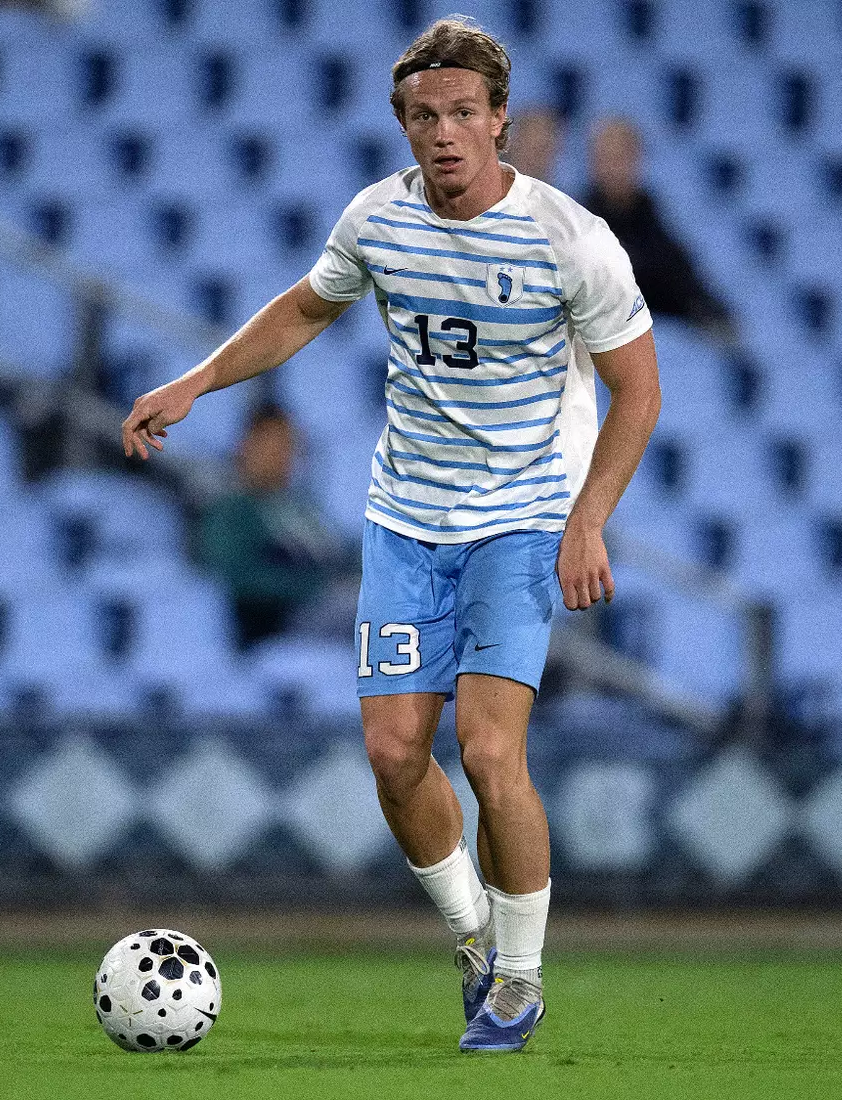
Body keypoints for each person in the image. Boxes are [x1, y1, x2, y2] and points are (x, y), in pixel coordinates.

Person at [123, 17, 661, 1053]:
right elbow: (303, 307)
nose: (446, 132)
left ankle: (520, 976)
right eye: (425, 115)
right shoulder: (379, 219)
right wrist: (196, 379)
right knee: (392, 752)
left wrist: (588, 516)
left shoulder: (571, 238)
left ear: (500, 120)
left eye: (465, 113)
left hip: (519, 518)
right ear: (404, 125)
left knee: (491, 749)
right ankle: (471, 939)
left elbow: (640, 390)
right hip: (405, 521)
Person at [199, 403, 345, 649]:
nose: (277, 456)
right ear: (244, 447)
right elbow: (238, 576)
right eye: (268, 446)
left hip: (322, 606)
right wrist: (314, 585)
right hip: (275, 624)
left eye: (285, 446)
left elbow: (335, 550)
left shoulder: (298, 505)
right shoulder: (229, 509)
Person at [583, 116, 734, 339]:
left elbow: (687, 287)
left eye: (621, 157)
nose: (613, 167)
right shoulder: (576, 221)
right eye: (605, 157)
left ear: (637, 159)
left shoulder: (653, 221)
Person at [503, 106, 560, 184]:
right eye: (532, 148)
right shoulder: (491, 183)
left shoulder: (553, 193)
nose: (536, 157)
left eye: (543, 149)